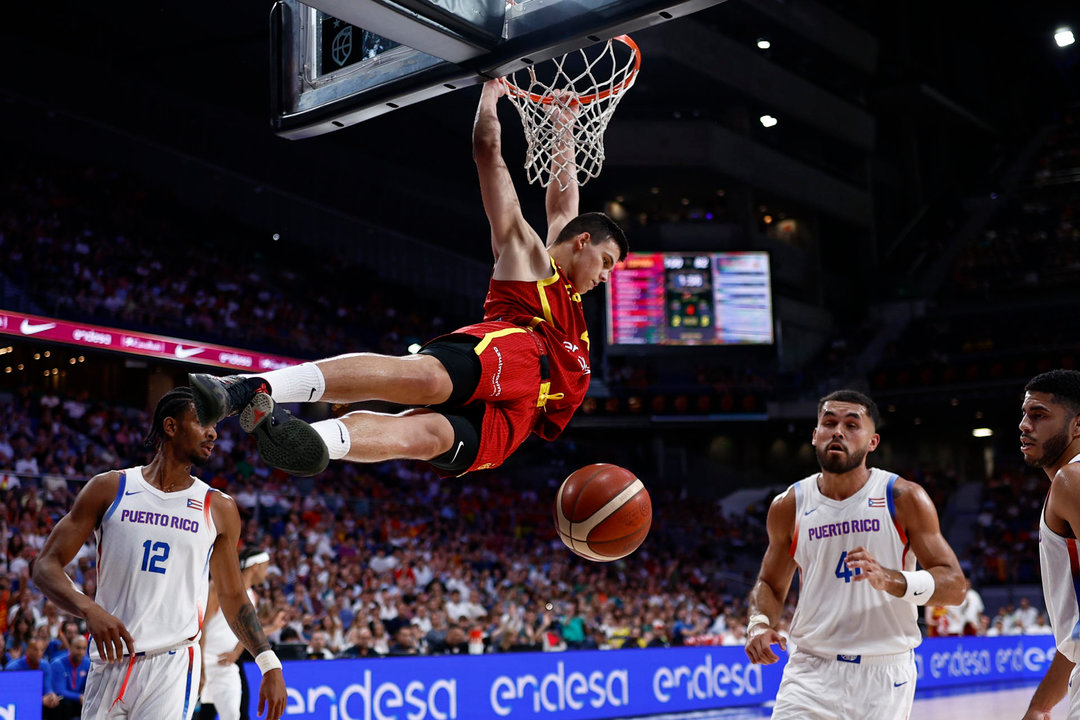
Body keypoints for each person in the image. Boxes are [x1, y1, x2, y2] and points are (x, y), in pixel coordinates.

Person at [187, 78, 627, 478]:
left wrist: (565, 128)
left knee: (426, 437)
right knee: (427, 381)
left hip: (521, 416)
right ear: (583, 242)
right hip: (517, 355)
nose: (606, 276)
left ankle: (313, 440)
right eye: (607, 261)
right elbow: (489, 157)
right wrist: (491, 93)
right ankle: (247, 388)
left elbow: (564, 207)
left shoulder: (569, 292)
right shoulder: (528, 256)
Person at [31, 387, 287, 720]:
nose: (213, 432)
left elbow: (233, 595)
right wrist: (89, 609)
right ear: (170, 427)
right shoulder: (111, 488)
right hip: (109, 661)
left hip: (172, 665)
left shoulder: (219, 507)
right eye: (201, 422)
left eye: (215, 425)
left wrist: (268, 663)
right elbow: (45, 565)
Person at [744, 389, 966, 720]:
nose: (838, 431)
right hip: (810, 670)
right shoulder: (789, 505)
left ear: (872, 442)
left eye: (852, 424)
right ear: (815, 435)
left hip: (884, 673)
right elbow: (770, 584)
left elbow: (955, 585)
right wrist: (759, 624)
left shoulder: (903, 497)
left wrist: (891, 579)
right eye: (829, 422)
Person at [1017, 369, 1080, 719]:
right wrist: (1041, 705)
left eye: (1039, 415)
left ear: (1077, 426)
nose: (1025, 425)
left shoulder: (1071, 479)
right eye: (1024, 415)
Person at [199, 547, 275, 720]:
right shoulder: (219, 587)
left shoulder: (252, 596)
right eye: (266, 567)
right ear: (255, 566)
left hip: (225, 666)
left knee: (234, 715)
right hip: (203, 663)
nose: (267, 573)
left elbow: (246, 630)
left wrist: (236, 652)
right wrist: (200, 666)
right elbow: (200, 626)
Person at [4, 637, 62, 717]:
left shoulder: (45, 665)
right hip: (18, 705)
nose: (39, 653)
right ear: (27, 650)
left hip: (41, 701)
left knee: (57, 704)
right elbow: (12, 696)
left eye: (42, 650)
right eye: (35, 649)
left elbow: (48, 687)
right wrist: (39, 700)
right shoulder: (12, 668)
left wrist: (51, 695)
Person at [49, 634, 88, 718]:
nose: (81, 652)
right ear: (70, 647)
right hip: (64, 705)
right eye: (78, 648)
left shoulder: (88, 663)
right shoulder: (57, 664)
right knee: (63, 702)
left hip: (80, 703)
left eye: (84, 648)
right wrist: (79, 697)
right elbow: (59, 691)